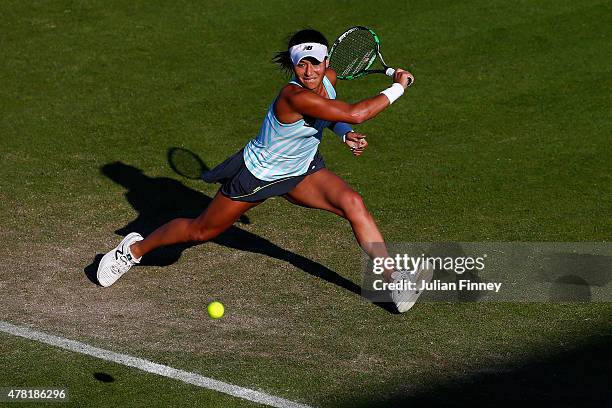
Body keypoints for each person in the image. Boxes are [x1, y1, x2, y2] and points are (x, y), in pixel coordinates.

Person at [97, 28, 430, 312]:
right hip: (258, 176)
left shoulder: (327, 79)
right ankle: (132, 250)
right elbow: (355, 113)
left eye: (315, 62)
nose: (309, 71)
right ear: (295, 65)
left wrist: (343, 134)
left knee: (353, 203)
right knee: (201, 231)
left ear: (328, 63)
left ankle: (395, 284)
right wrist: (398, 87)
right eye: (302, 63)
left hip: (302, 170)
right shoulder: (292, 95)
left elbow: (333, 117)